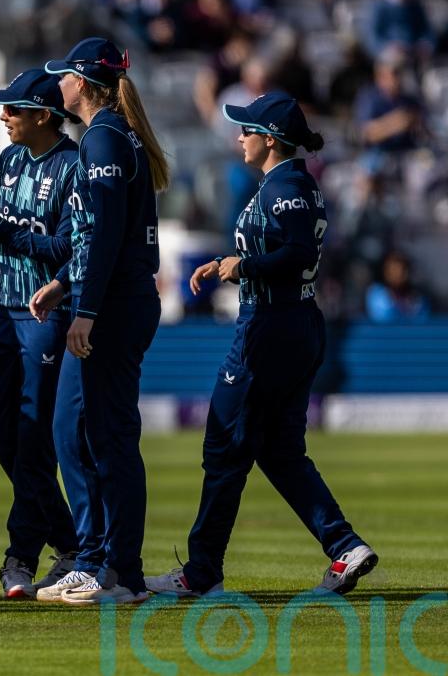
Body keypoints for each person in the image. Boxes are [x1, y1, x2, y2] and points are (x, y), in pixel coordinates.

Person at [146, 92, 378, 598]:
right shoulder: (286, 184)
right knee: (279, 449)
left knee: (223, 444)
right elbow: (281, 248)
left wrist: (244, 266)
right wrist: (229, 262)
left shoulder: (287, 186)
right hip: (293, 322)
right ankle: (344, 545)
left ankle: (201, 572)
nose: (240, 138)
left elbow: (297, 252)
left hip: (272, 325)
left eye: (247, 130)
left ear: (271, 139)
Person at [33, 37, 169, 604]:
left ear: (84, 84)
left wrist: (84, 309)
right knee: (71, 429)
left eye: (65, 76)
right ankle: (93, 558)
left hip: (114, 305)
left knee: (110, 438)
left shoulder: (106, 136)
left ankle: (123, 573)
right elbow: (98, 233)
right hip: (106, 297)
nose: (58, 84)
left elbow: (109, 230)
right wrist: (66, 282)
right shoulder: (107, 134)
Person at [0, 69, 82, 599]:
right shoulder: (8, 160)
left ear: (43, 115)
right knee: (1, 434)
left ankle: (20, 554)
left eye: (13, 108)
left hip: (47, 315)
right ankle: (68, 541)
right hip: (4, 310)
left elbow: (67, 247)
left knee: (32, 438)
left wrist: (6, 233)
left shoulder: (73, 165)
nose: (3, 116)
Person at [366, 249, 430, 322]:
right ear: (385, 272)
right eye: (393, 270)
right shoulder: (376, 294)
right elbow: (382, 318)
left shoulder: (417, 298)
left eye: (403, 270)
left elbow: (422, 319)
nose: (398, 274)